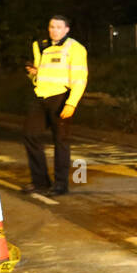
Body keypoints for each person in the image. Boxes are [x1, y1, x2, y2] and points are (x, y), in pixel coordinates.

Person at [23, 15, 88, 196]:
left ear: (67, 29)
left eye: (59, 27)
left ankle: (60, 185)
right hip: (40, 95)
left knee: (61, 141)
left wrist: (71, 103)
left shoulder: (75, 48)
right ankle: (40, 182)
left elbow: (80, 79)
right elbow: (39, 75)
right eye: (51, 27)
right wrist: (33, 73)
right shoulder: (41, 46)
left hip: (61, 97)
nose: (54, 30)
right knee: (30, 134)